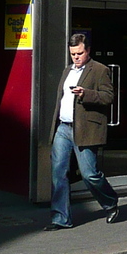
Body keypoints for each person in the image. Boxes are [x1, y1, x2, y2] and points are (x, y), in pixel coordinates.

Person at [48, 30, 121, 229]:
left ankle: (110, 202)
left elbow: (108, 97)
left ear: (88, 50)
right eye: (73, 54)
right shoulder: (67, 70)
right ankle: (60, 218)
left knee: (90, 174)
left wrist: (86, 94)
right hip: (63, 128)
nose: (76, 57)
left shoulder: (99, 70)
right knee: (58, 173)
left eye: (79, 53)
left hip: (85, 129)